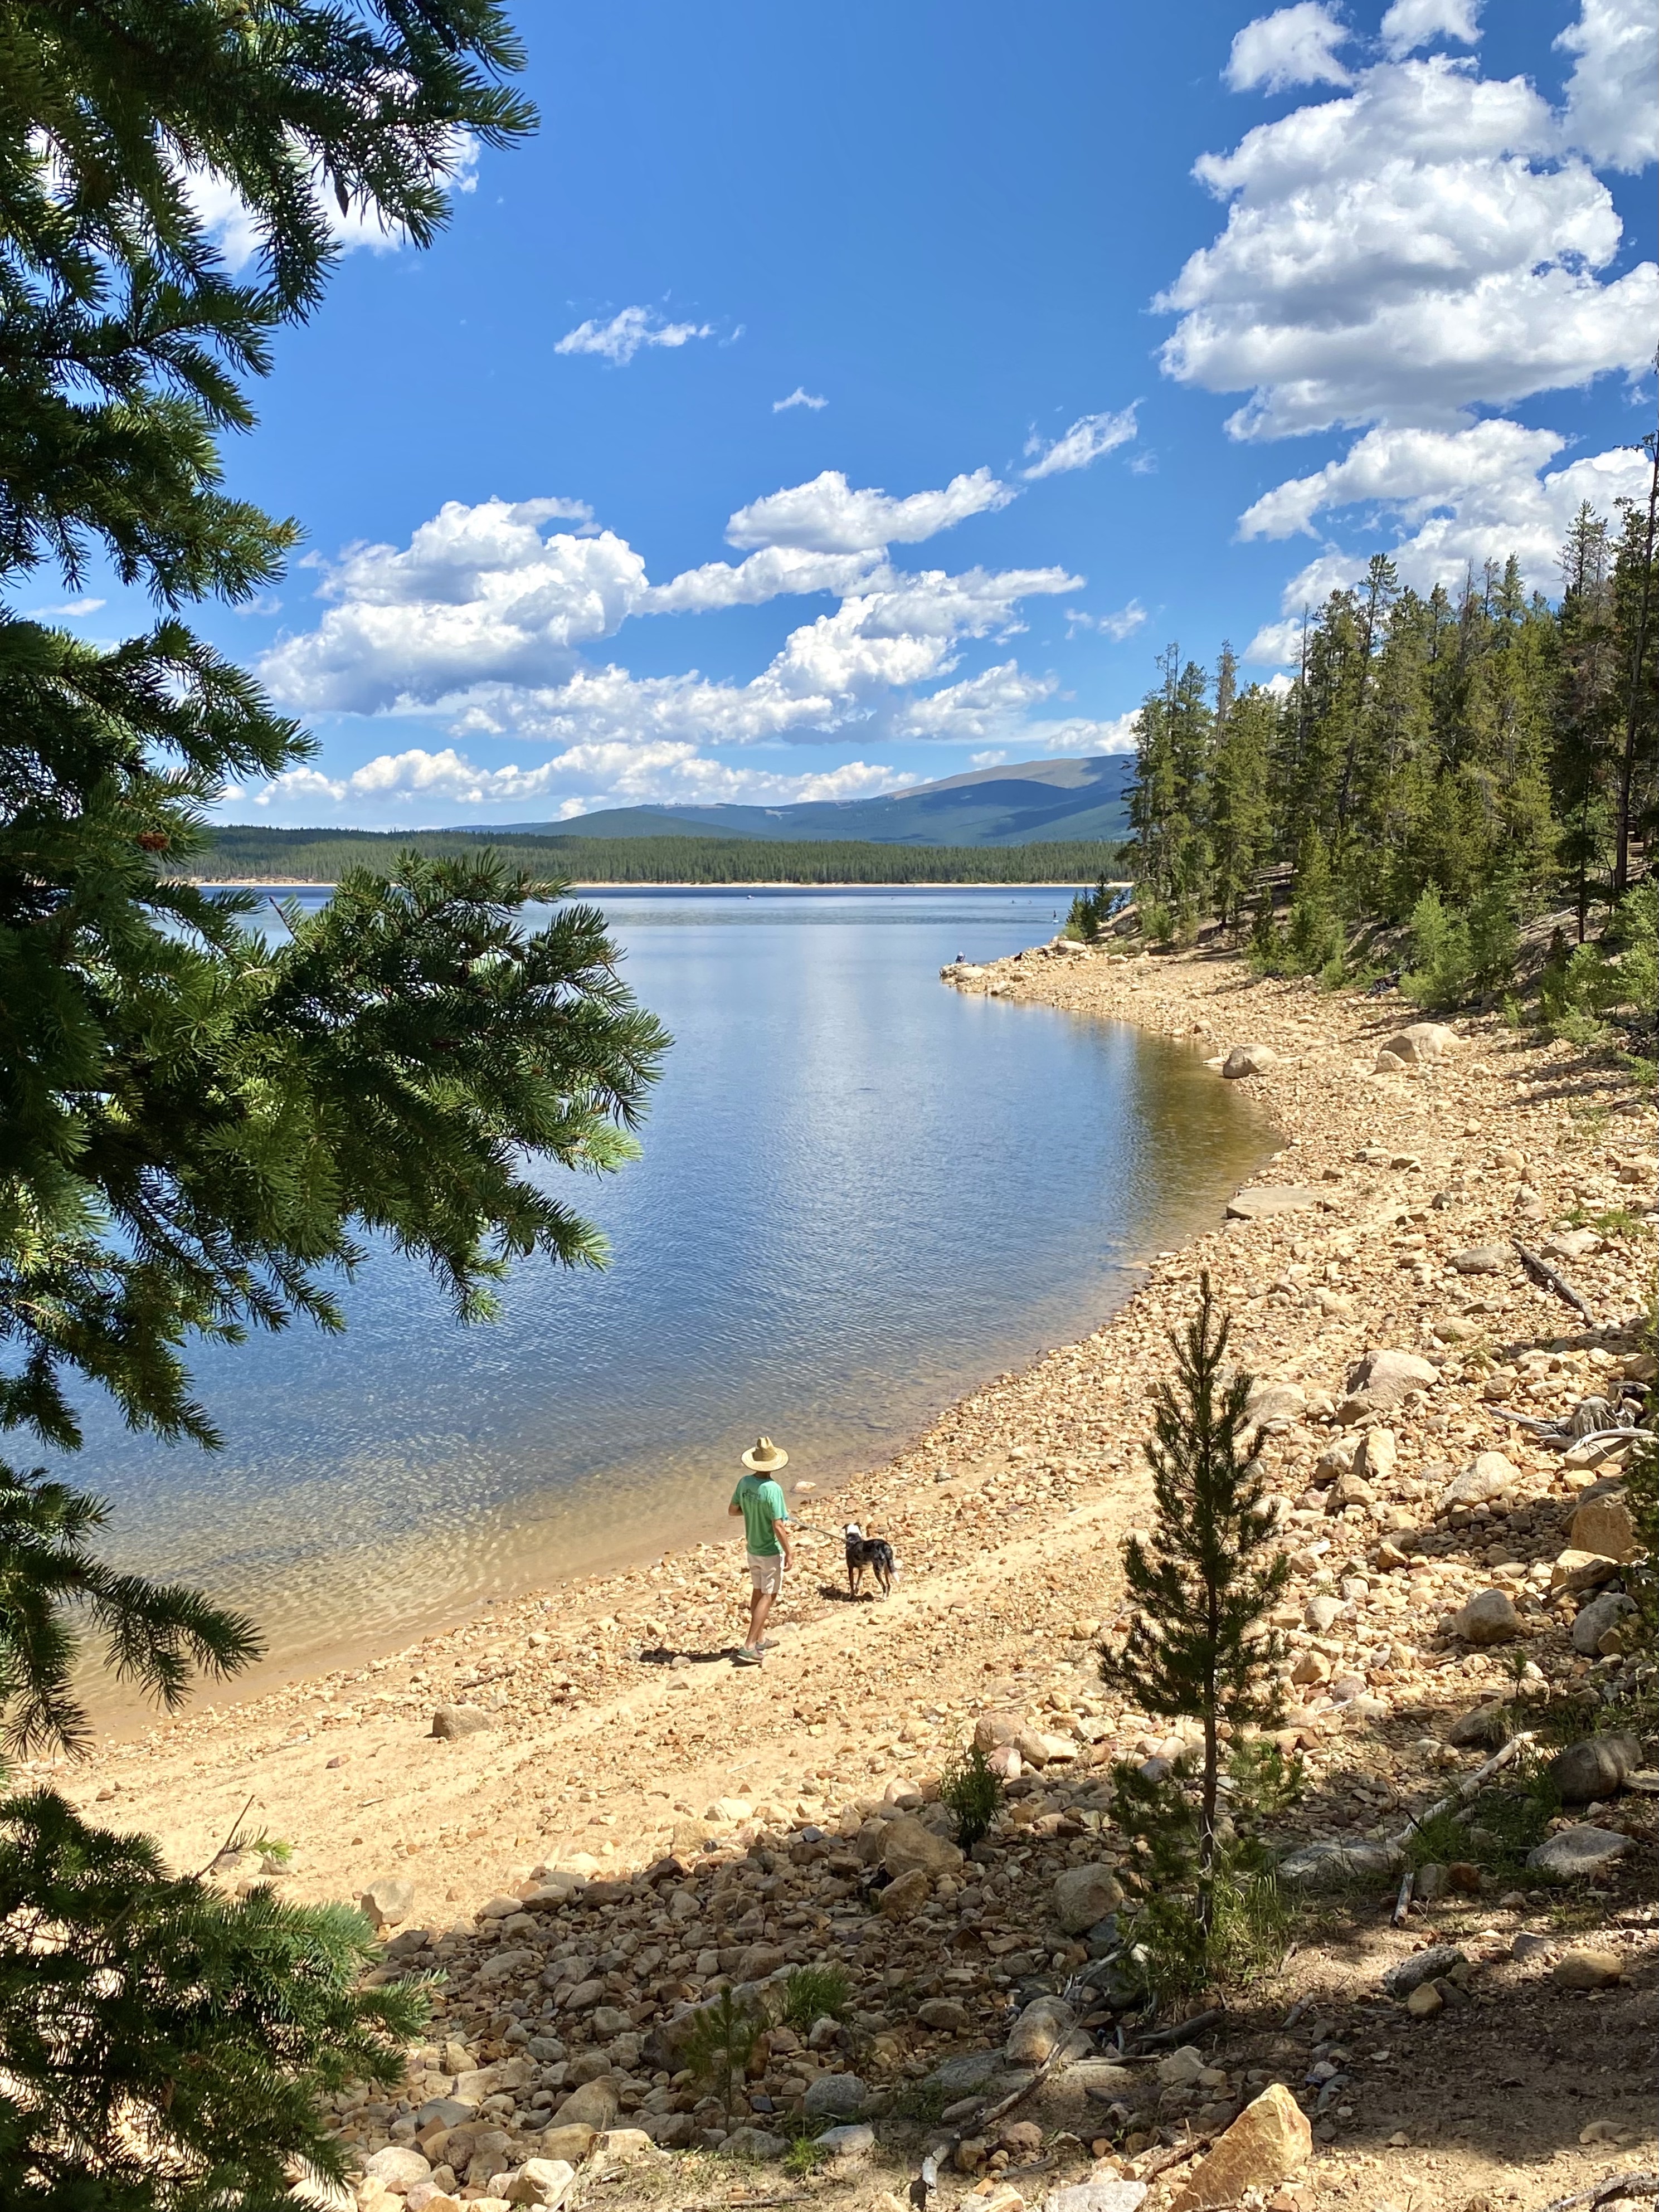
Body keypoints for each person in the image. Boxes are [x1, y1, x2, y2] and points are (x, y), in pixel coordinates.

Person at [728, 1436, 794, 1664]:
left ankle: (760, 1638)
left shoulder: (744, 1483)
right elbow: (778, 1526)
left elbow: (733, 1510)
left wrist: (754, 1512)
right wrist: (789, 1552)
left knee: (758, 1591)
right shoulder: (773, 1489)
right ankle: (749, 1645)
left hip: (752, 1548)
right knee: (769, 1595)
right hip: (769, 1550)